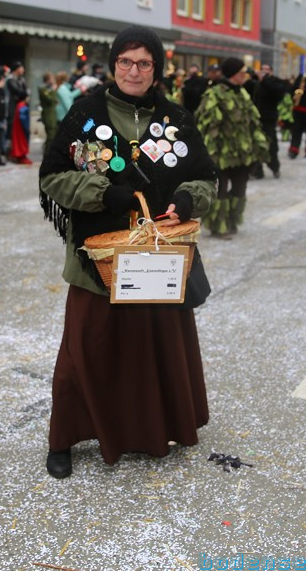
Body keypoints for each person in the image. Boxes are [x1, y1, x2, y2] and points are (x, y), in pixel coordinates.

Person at [38, 25, 217, 479]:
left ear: (156, 69)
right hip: (97, 259)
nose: (133, 71)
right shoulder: (84, 114)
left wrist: (188, 200)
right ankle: (65, 437)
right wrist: (103, 193)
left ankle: (148, 430)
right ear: (113, 64)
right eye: (125, 61)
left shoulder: (177, 119)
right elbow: (52, 177)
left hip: (159, 257)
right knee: (86, 349)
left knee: (149, 346)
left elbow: (205, 178)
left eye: (144, 63)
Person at [194, 58, 270, 238]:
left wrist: (258, 144)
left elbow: (252, 121)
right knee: (221, 188)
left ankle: (232, 220)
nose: (245, 75)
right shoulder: (215, 94)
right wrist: (210, 153)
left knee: (240, 186)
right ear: (233, 74)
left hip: (242, 152)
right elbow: (209, 125)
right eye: (242, 72)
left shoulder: (242, 93)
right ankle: (218, 226)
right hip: (221, 152)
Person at [252, 63, 290, 178]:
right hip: (257, 118)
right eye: (262, 69)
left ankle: (274, 167)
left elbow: (278, 93)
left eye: (267, 70)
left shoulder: (274, 82)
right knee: (256, 145)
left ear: (271, 71)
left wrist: (266, 80)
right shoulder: (257, 82)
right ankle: (257, 171)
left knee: (271, 145)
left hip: (269, 118)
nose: (264, 71)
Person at [6, 61, 32, 164]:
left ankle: (22, 153)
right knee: (15, 133)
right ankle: (14, 154)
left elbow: (25, 92)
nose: (23, 70)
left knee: (24, 132)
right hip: (14, 110)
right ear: (17, 69)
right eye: (22, 68)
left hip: (21, 108)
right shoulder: (10, 80)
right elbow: (19, 92)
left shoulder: (21, 80)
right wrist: (24, 94)